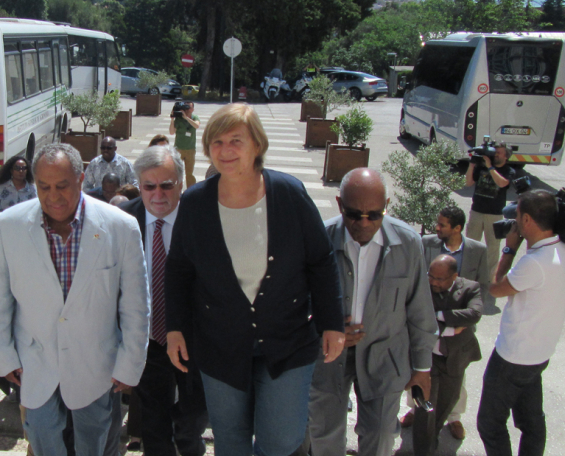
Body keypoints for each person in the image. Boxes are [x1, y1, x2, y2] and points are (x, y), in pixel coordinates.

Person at [166, 104, 345, 456]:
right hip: (219, 343)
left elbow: (321, 260)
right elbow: (179, 270)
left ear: (257, 145)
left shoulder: (289, 194)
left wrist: (332, 323)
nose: (226, 150)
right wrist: (175, 328)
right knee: (230, 442)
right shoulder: (195, 202)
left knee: (280, 441)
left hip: (288, 339)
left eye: (236, 140)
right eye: (216, 142)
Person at [0, 143, 149, 456]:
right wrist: (4, 356)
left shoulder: (121, 227)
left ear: (81, 178)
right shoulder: (9, 226)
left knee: (95, 444)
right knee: (44, 442)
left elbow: (136, 306)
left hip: (97, 366)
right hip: (35, 365)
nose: (54, 196)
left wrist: (130, 364)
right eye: (44, 187)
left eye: (62, 186)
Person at [304, 168, 437, 456]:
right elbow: (297, 302)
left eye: (374, 215)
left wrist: (422, 368)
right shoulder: (319, 239)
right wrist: (325, 326)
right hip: (327, 358)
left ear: (385, 205)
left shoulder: (408, 243)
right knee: (325, 436)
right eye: (354, 214)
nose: (364, 223)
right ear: (340, 205)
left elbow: (420, 309)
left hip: (385, 358)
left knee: (380, 436)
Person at [117, 145, 209, 456]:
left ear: (181, 183)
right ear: (139, 185)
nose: (158, 194)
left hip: (193, 340)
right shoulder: (122, 220)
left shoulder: (202, 221)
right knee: (153, 425)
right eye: (149, 186)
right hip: (148, 341)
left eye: (167, 185)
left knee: (191, 422)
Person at [476, 190, 565, 456]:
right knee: (531, 422)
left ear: (528, 221)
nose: (516, 221)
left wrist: (509, 248)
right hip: (539, 355)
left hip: (512, 358)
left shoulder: (534, 263)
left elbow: (496, 288)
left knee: (489, 423)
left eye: (518, 216)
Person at [401, 205, 491, 439]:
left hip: (460, 327)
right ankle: (415, 409)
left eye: (442, 225)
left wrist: (461, 321)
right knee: (421, 366)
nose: (437, 228)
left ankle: (454, 417)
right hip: (428, 322)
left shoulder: (477, 250)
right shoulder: (427, 243)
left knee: (455, 374)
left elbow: (482, 286)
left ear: (457, 228)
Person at [412, 255, 482, 456]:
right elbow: (419, 320)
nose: (433, 282)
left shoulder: (470, 288)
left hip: (455, 359)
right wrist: (450, 329)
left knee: (446, 404)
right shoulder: (423, 287)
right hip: (428, 360)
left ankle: (431, 441)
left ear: (455, 277)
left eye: (439, 279)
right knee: (424, 408)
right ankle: (422, 451)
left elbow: (474, 314)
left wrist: (439, 316)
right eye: (431, 276)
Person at [464, 142, 515, 284]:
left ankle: (488, 280)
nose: (495, 154)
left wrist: (490, 167)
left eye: (498, 152)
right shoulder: (481, 167)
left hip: (494, 214)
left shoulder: (508, 170)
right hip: (477, 211)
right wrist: (472, 164)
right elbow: (468, 183)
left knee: (492, 248)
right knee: (470, 244)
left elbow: (502, 183)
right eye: (494, 152)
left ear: (506, 156)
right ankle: (468, 277)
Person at [167, 101, 200, 187]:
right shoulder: (179, 119)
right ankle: (177, 189)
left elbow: (196, 126)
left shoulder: (194, 117)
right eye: (186, 107)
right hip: (178, 148)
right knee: (177, 172)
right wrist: (172, 119)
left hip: (190, 149)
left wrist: (186, 118)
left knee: (189, 173)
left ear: (193, 109)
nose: (187, 109)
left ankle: (191, 190)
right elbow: (171, 132)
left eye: (189, 107)